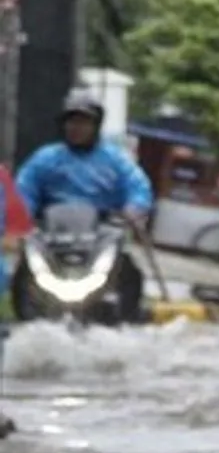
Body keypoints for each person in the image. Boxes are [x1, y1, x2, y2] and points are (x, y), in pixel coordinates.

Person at [11, 90, 155, 322]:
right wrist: (22, 216)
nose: (76, 127)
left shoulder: (115, 161)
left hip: (100, 234)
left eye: (83, 122)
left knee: (130, 272)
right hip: (52, 234)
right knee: (24, 270)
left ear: (95, 126)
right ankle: (24, 316)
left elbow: (138, 188)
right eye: (72, 121)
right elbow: (24, 189)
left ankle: (127, 319)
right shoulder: (45, 159)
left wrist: (134, 207)